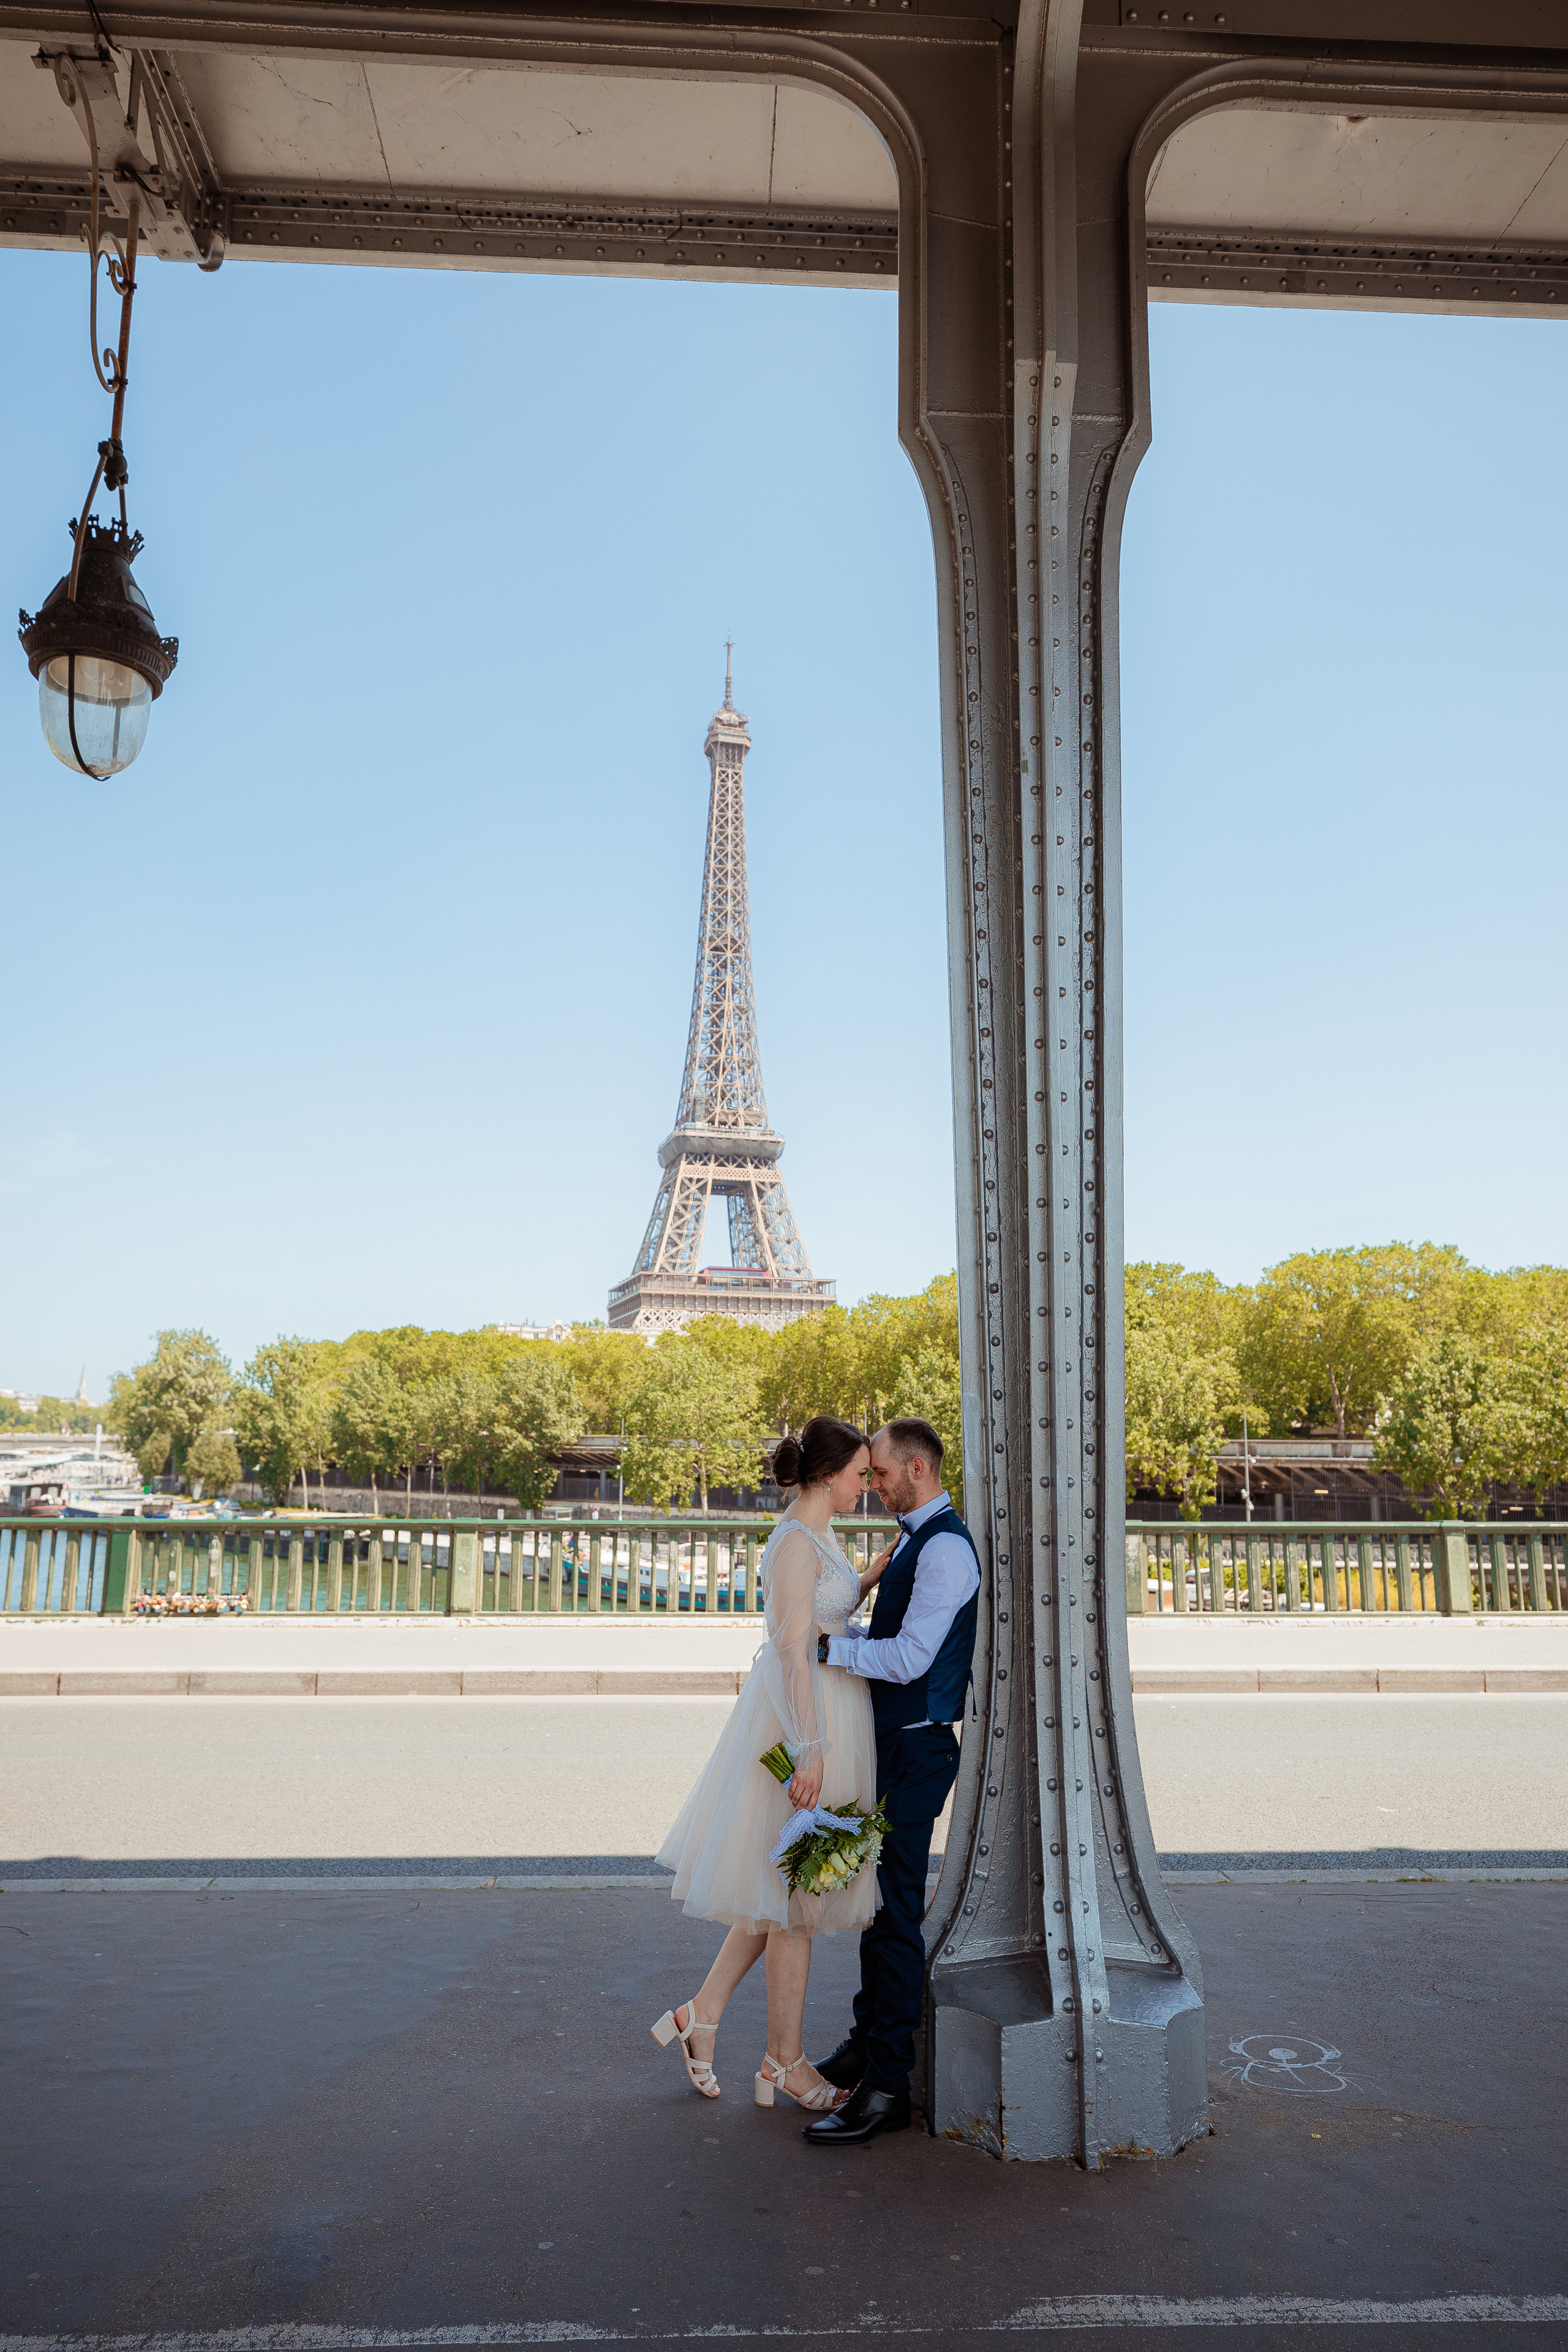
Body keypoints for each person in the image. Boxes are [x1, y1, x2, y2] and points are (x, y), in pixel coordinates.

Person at [649, 1415, 894, 2113]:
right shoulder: (794, 1541)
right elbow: (792, 1654)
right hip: (806, 1720)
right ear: (828, 1475)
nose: (865, 1486)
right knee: (797, 1899)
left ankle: (701, 2015)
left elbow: (822, 1615)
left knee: (780, 1891)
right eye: (859, 1475)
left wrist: (866, 1579)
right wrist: (809, 1752)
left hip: (825, 1711)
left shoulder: (818, 1533)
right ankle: (784, 2061)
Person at [800, 1416, 980, 2147]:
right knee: (877, 1909)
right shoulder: (916, 1541)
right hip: (894, 1745)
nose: (871, 1484)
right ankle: (864, 2048)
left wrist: (828, 1648)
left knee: (896, 1914)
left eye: (878, 1473)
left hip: (916, 1748)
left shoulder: (946, 1551)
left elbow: (907, 1659)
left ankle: (886, 2085)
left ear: (917, 1469)